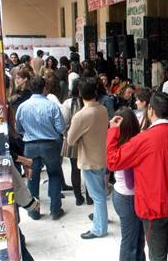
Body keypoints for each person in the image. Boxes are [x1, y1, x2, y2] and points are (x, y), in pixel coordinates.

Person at [107, 92, 168, 261]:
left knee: (157, 254)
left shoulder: (144, 139)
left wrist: (113, 131)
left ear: (151, 110)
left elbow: (113, 161)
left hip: (155, 209)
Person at [15, 76, 66, 220]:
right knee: (54, 174)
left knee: (32, 177)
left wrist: (29, 132)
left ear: (30, 89)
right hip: (50, 145)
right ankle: (55, 209)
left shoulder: (22, 107)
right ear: (45, 88)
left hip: (30, 146)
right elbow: (61, 128)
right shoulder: (51, 106)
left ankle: (33, 211)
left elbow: (18, 128)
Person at [67, 77, 109, 239]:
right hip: (103, 157)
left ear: (79, 93)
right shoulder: (103, 109)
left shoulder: (81, 115)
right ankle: (100, 218)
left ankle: (99, 228)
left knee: (97, 197)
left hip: (89, 160)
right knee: (100, 194)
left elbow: (70, 140)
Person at [110, 107, 146, 261]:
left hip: (123, 196)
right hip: (128, 197)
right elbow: (131, 183)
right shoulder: (128, 147)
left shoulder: (116, 143)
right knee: (130, 242)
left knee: (138, 239)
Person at [61, 79, 92, 206]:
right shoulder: (91, 102)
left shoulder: (68, 103)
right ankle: (90, 197)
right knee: (88, 168)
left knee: (75, 169)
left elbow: (63, 122)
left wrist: (66, 134)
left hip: (73, 137)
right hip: (89, 139)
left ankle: (78, 197)